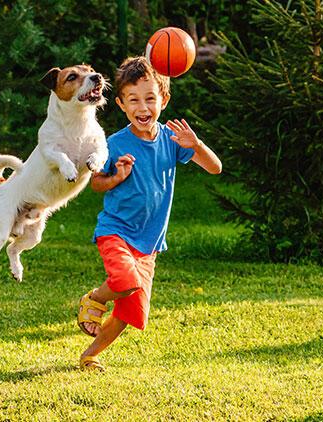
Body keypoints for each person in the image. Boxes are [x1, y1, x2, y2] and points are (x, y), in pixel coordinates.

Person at [76, 56, 223, 371]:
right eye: (134, 100)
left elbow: (215, 167)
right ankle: (95, 299)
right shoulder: (114, 143)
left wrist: (195, 144)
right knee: (124, 281)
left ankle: (91, 355)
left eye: (150, 99)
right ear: (121, 104)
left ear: (164, 100)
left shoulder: (173, 140)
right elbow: (96, 184)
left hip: (148, 243)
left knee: (129, 313)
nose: (143, 108)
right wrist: (116, 177)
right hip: (116, 230)